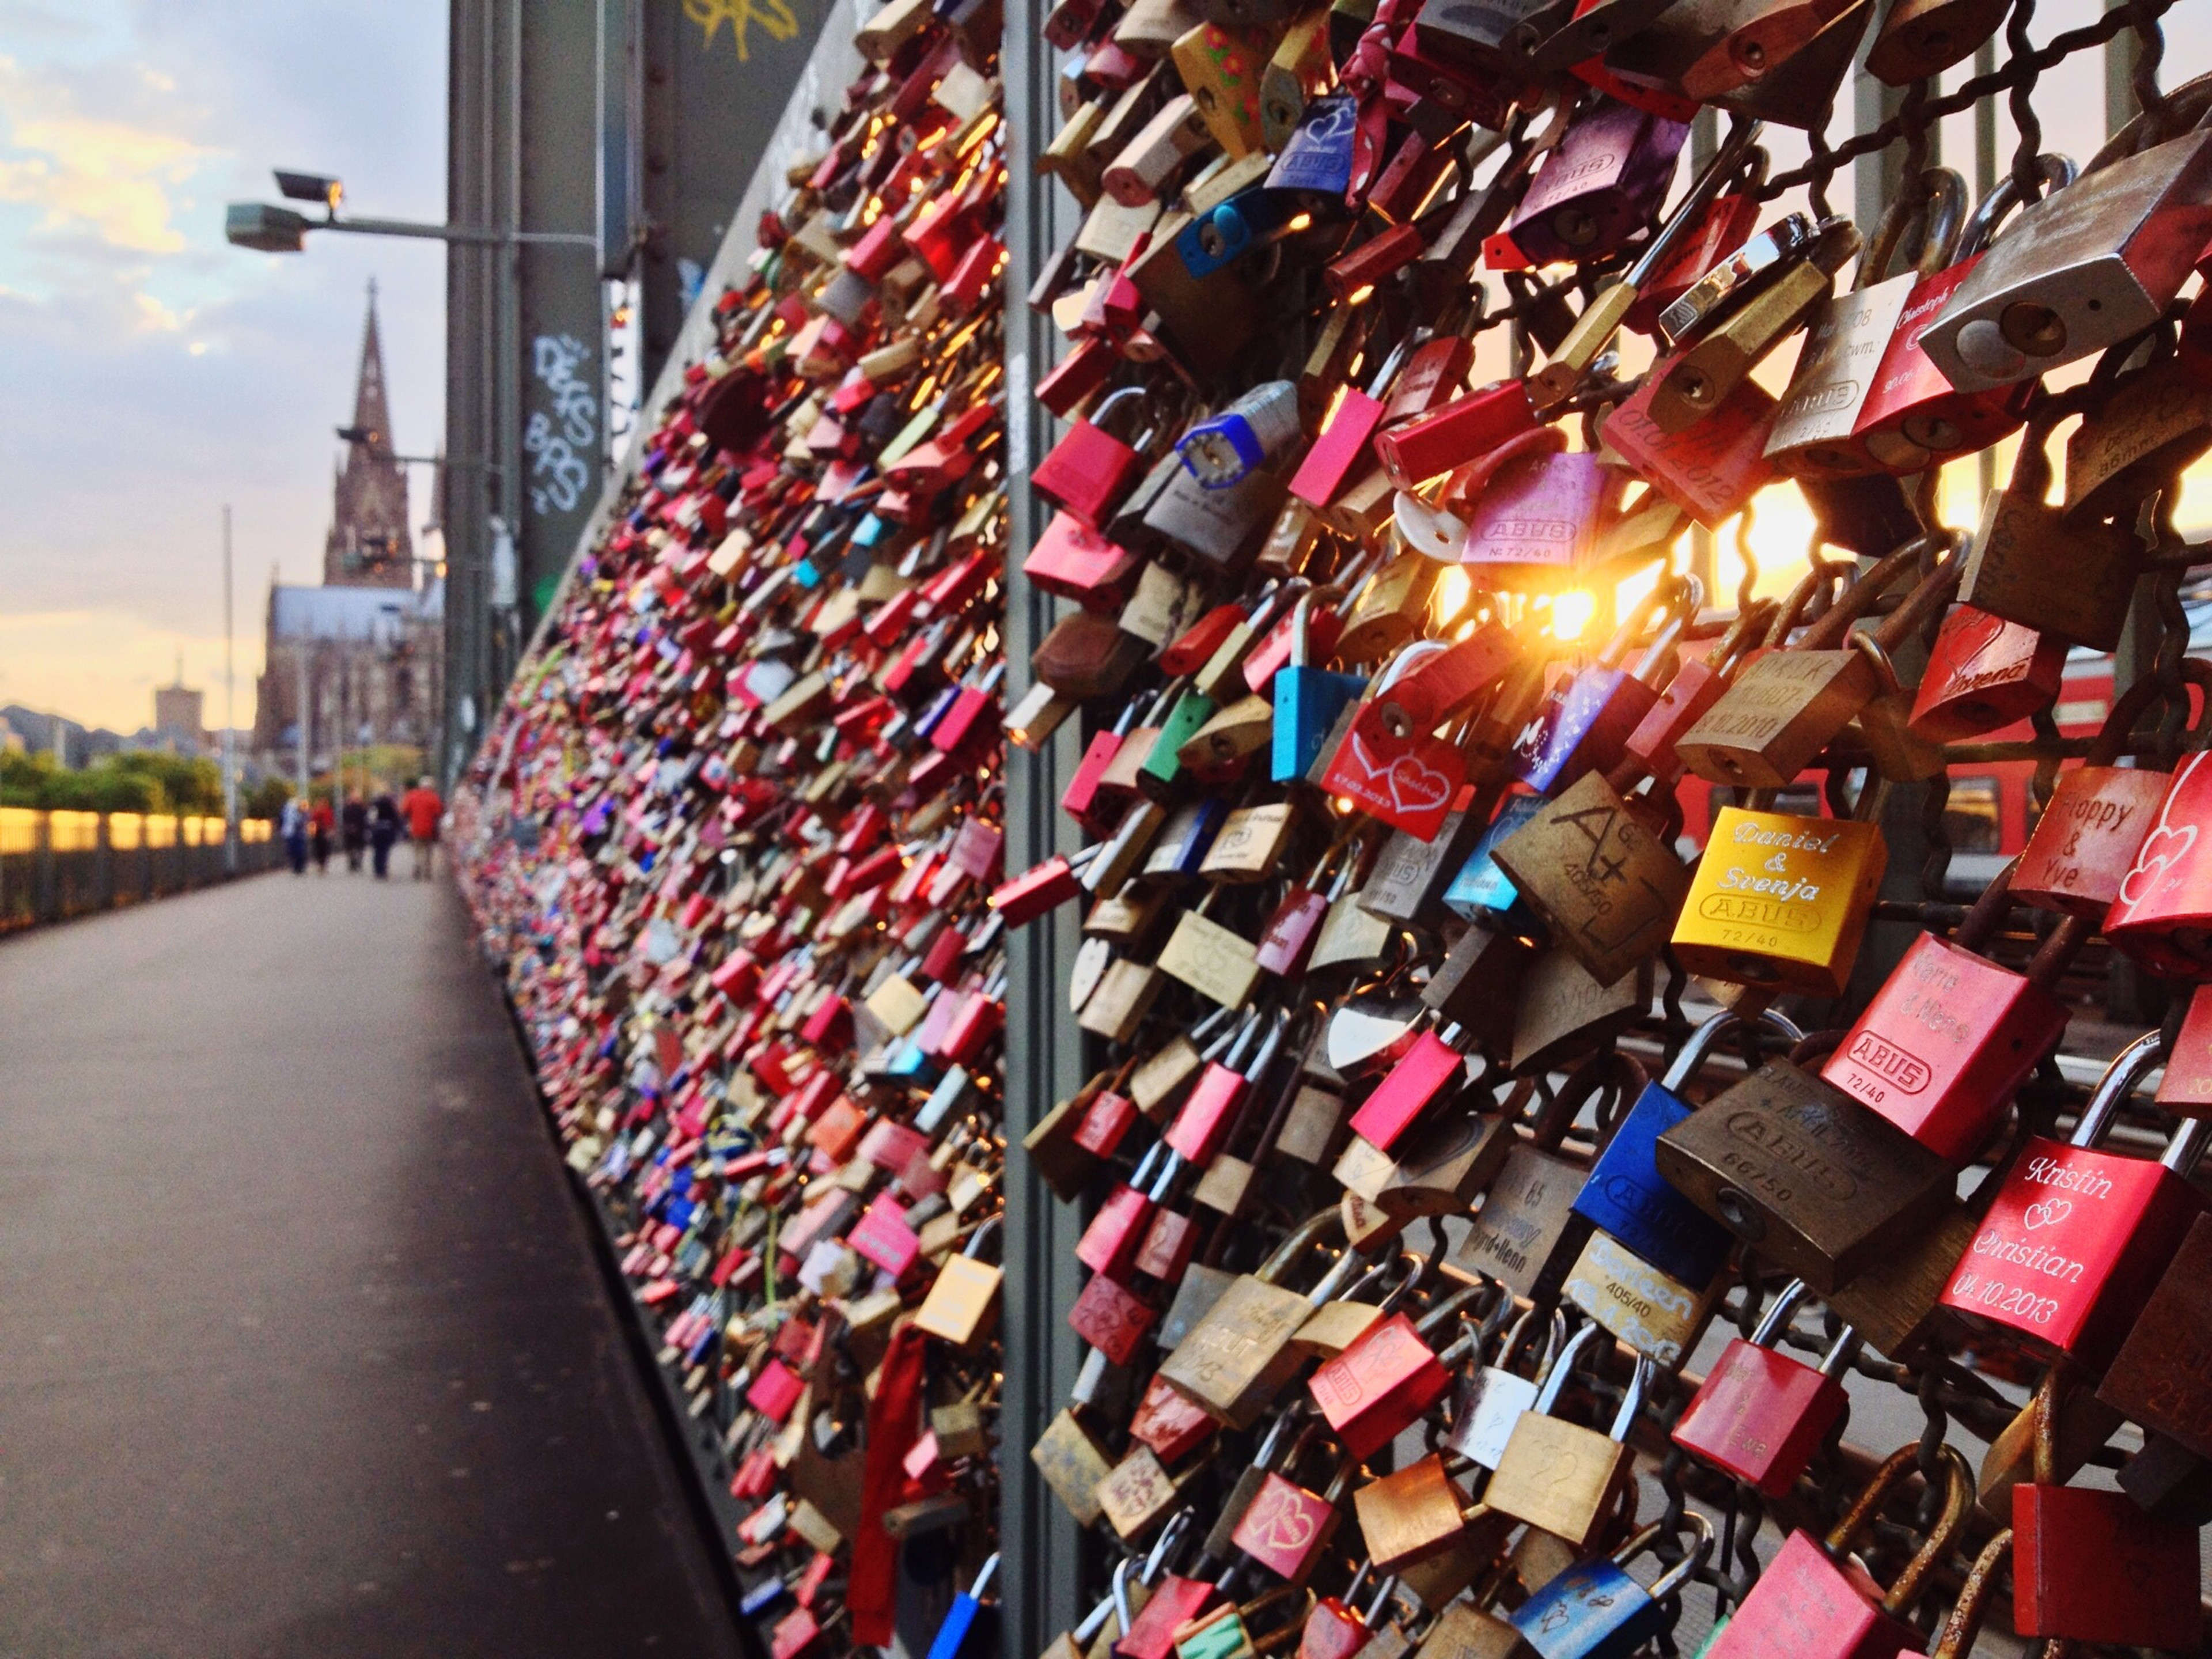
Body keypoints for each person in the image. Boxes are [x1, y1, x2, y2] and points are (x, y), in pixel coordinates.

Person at [400, 775, 444, 881]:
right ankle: (427, 871)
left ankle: (417, 865)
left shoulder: (412, 795)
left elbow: (404, 810)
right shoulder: (434, 797)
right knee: (428, 851)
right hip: (429, 829)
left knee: (417, 850)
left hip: (415, 828)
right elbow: (438, 812)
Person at [369, 790, 401, 880]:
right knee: (385, 851)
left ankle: (377, 870)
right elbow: (396, 819)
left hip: (377, 830)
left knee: (377, 851)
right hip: (387, 830)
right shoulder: (391, 807)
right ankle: (383, 870)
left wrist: (371, 828)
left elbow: (371, 819)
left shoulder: (375, 806)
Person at [279, 796, 309, 876]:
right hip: (296, 833)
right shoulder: (297, 812)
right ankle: (299, 867)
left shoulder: (286, 811)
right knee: (298, 851)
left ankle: (297, 867)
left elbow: (282, 821)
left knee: (294, 851)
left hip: (291, 833)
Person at [340, 797, 369, 872]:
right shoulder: (360, 809)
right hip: (357, 831)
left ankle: (355, 863)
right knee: (357, 848)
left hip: (353, 831)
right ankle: (355, 863)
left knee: (354, 848)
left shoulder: (349, 809)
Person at [308, 798, 334, 874]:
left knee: (325, 849)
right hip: (318, 832)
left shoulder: (328, 811)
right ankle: (320, 865)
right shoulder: (315, 812)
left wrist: (331, 830)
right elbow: (312, 822)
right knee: (318, 849)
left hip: (325, 831)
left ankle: (323, 865)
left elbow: (331, 821)